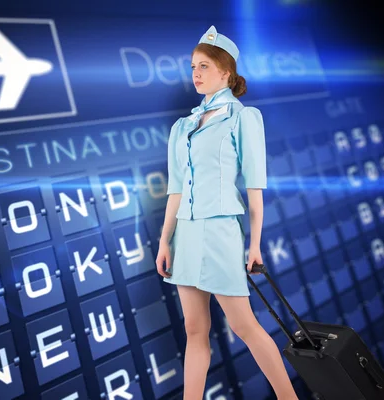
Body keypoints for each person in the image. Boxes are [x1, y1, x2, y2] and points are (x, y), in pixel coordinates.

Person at [155, 26, 299, 400]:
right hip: (184, 233)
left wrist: (255, 245)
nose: (196, 74)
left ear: (226, 73)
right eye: (192, 67)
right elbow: (175, 190)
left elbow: (254, 189)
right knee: (194, 330)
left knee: (244, 326)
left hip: (220, 230)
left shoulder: (242, 118)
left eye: (204, 66)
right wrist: (164, 240)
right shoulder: (182, 126)